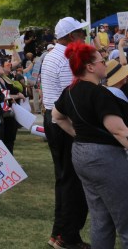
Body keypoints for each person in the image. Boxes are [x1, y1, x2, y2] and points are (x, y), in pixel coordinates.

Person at [52, 42, 128, 249]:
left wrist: (80, 134)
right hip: (106, 158)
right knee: (125, 220)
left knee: (101, 219)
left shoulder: (70, 90)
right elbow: (118, 130)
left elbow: (56, 116)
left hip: (82, 154)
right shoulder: (100, 93)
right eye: (102, 60)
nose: (105, 63)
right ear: (90, 67)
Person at [43, 17, 89, 249]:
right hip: (63, 121)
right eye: (81, 33)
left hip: (53, 118)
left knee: (65, 179)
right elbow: (69, 97)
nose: (84, 37)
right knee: (72, 181)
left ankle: (60, 233)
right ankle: (67, 236)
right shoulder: (65, 58)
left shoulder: (52, 55)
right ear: (72, 36)